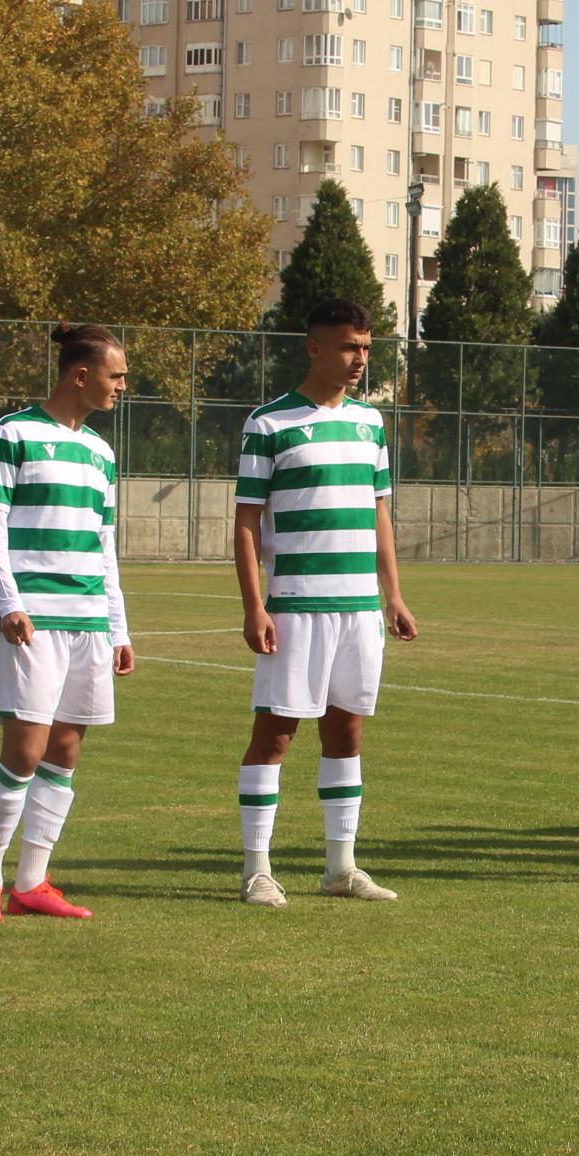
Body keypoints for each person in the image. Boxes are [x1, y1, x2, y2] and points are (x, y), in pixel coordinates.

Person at [233, 298, 419, 908]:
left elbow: (378, 512)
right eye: (348, 347)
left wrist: (393, 594)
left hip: (359, 609)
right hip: (296, 606)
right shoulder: (269, 423)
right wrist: (254, 604)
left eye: (366, 348)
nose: (360, 358)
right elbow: (245, 522)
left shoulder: (370, 423)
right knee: (277, 734)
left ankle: (341, 867)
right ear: (314, 348)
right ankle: (257, 869)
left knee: (347, 732)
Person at [0, 324, 135, 924]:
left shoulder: (101, 452)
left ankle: (32, 882)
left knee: (64, 752)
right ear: (80, 375)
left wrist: (119, 627)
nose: (121, 387)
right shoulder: (11, 434)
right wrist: (7, 603)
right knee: (24, 752)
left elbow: (105, 545)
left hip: (89, 620)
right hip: (34, 621)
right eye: (115, 376)